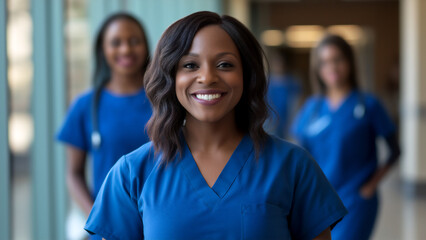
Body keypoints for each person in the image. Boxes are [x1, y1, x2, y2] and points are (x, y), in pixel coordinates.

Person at [84, 11, 347, 240]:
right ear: (170, 76)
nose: (208, 77)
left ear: (247, 74)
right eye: (190, 65)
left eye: (225, 64)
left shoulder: (293, 166)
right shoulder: (131, 174)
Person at [292, 34, 400, 240]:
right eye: (324, 62)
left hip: (355, 201)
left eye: (338, 59)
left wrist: (370, 187)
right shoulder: (312, 108)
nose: (331, 67)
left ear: (349, 61)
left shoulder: (368, 104)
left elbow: (395, 151)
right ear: (317, 68)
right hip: (319, 201)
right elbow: (299, 153)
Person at [57, 12, 152, 223]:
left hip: (163, 220)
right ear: (102, 49)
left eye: (134, 41)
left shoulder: (165, 101)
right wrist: (97, 218)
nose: (126, 49)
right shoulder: (85, 106)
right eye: (116, 42)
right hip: (110, 224)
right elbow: (74, 174)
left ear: (146, 46)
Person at [265, 46, 301, 139]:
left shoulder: (293, 83)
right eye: (277, 61)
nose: (279, 64)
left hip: (287, 127)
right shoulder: (266, 83)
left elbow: (295, 108)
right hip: (268, 127)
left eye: (281, 61)